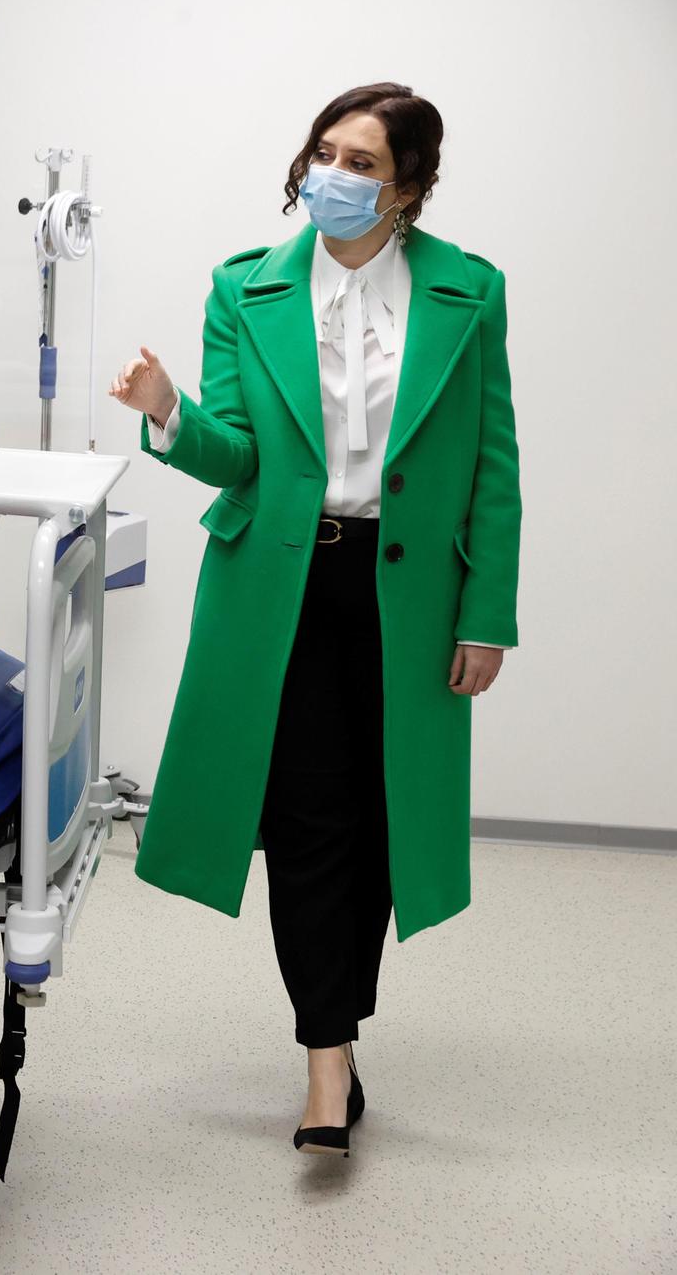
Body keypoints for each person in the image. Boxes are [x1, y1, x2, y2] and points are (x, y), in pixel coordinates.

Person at [109, 83, 521, 1156]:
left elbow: (490, 465)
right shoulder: (241, 290)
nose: (330, 177)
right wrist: (167, 414)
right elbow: (237, 455)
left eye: (361, 164)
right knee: (304, 824)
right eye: (322, 153)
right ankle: (323, 1065)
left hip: (406, 595)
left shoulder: (467, 293)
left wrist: (487, 613)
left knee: (383, 828)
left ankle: (340, 1014)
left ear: (409, 188)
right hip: (278, 591)